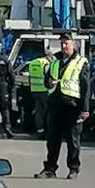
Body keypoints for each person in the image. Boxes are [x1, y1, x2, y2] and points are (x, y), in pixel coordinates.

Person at [35, 33, 90, 180]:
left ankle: (73, 169)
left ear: (73, 45)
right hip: (55, 104)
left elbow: (85, 87)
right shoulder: (54, 62)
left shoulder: (81, 62)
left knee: (73, 140)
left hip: (72, 106)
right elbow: (47, 81)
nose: (64, 46)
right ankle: (50, 169)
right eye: (62, 44)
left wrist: (85, 109)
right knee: (52, 139)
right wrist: (49, 82)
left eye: (66, 43)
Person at [26, 49, 55, 137]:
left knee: (39, 111)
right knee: (49, 111)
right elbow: (49, 77)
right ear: (49, 57)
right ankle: (50, 129)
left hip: (34, 90)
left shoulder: (33, 63)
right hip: (44, 90)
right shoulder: (46, 64)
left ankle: (39, 129)